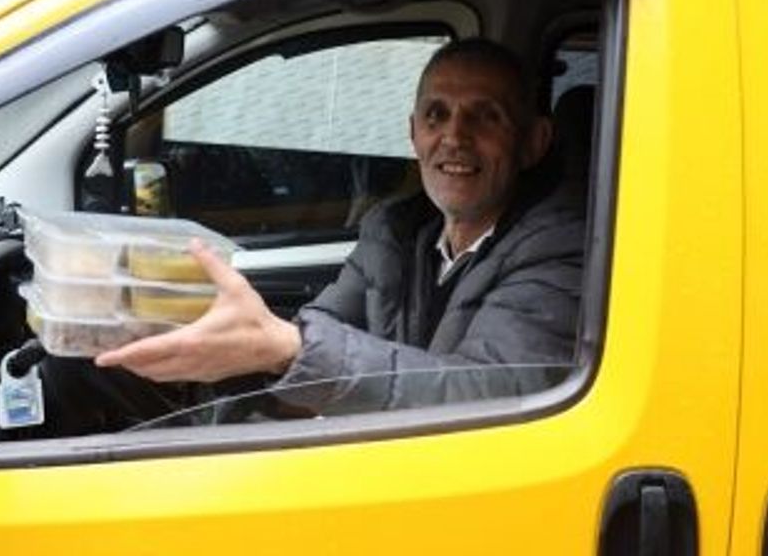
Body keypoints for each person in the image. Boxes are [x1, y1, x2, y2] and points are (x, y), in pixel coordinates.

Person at [95, 38, 585, 414]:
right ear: (413, 132)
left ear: (534, 143)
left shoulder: (565, 250)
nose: (455, 136)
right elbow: (326, 324)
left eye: (486, 117)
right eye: (437, 115)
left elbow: (487, 396)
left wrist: (288, 350)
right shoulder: (393, 231)